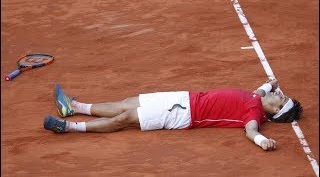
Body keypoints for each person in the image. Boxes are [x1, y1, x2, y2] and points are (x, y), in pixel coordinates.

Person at [44, 79, 303, 151]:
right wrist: (271, 84)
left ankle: (69, 127)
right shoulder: (256, 97)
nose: (278, 93)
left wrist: (262, 141)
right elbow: (265, 86)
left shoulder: (254, 112)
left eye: (280, 98)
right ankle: (75, 107)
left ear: (275, 110)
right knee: (125, 103)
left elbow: (251, 131)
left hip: (182, 114)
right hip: (182, 97)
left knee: (125, 119)